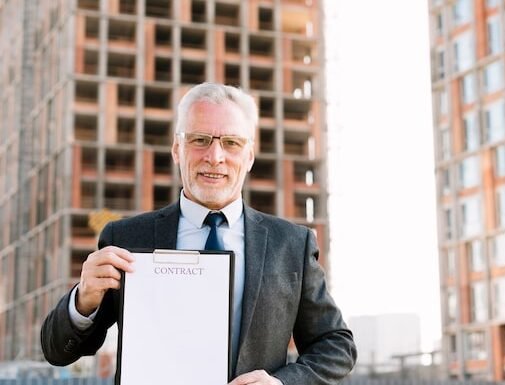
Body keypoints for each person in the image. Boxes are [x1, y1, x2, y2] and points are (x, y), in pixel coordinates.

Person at [40, 82, 357, 385]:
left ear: (249, 156)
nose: (215, 157)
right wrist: (82, 302)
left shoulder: (291, 245)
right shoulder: (125, 238)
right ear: (177, 149)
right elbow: (57, 352)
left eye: (231, 143)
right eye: (200, 140)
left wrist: (283, 382)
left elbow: (336, 345)